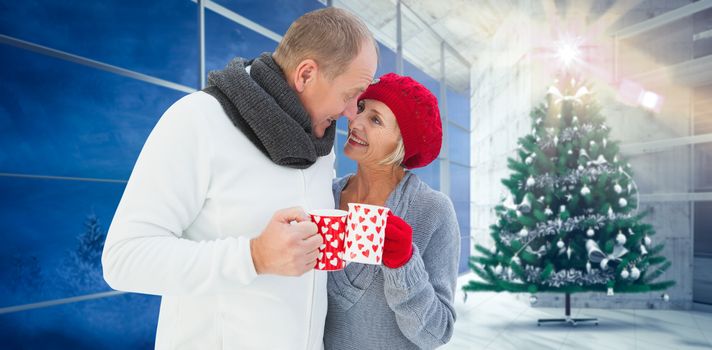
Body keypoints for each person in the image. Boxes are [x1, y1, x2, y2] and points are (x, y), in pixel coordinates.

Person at [101, 7, 378, 349]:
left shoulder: (319, 143)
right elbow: (123, 259)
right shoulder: (197, 121)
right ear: (305, 75)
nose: (352, 114)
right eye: (351, 95)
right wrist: (253, 256)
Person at [324, 73, 460, 349]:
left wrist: (404, 264)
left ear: (402, 144)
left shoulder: (432, 210)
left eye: (375, 120)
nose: (355, 121)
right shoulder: (327, 195)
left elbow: (436, 333)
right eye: (361, 109)